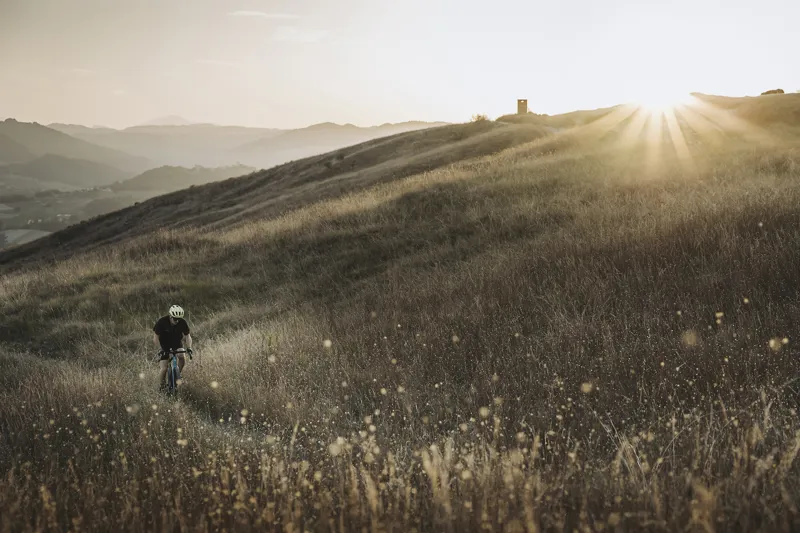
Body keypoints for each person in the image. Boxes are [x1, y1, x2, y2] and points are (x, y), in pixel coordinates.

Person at [153, 305, 193, 390]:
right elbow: (156, 338)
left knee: (182, 357)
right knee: (164, 368)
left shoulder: (182, 322)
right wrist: (160, 349)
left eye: (179, 318)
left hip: (177, 343)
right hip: (164, 345)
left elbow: (188, 336)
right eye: (175, 319)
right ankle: (162, 386)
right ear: (170, 316)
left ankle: (177, 376)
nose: (177, 321)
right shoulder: (162, 322)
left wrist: (189, 347)